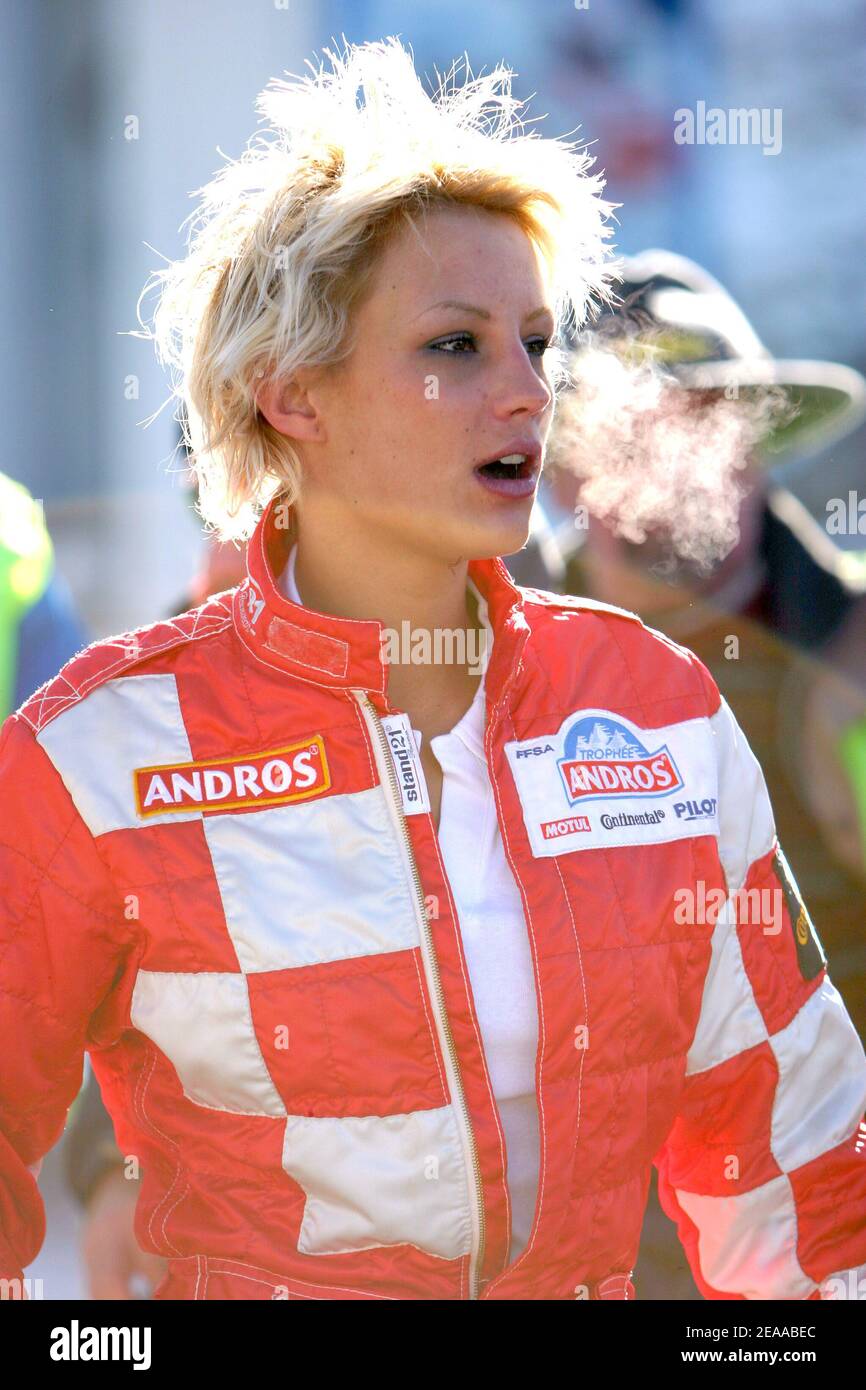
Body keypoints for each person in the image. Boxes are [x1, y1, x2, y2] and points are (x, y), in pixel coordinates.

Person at [1, 38, 865, 1302]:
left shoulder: (651, 709)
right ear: (292, 394)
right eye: (455, 346)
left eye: (533, 340)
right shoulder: (94, 749)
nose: (525, 390)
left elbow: (804, 1192)